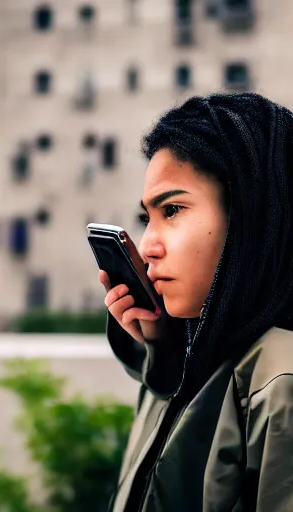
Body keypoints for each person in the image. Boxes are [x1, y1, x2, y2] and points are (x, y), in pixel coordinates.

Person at [100, 93, 293, 511]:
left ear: (250, 213)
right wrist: (164, 349)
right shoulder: (199, 350)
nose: (148, 245)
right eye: (145, 218)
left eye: (172, 209)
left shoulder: (282, 380)